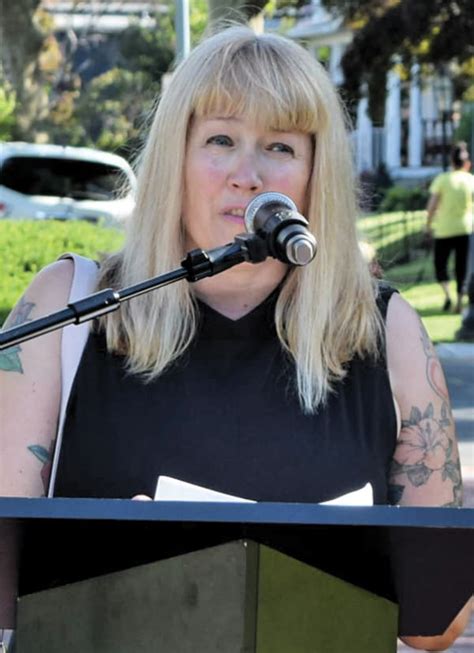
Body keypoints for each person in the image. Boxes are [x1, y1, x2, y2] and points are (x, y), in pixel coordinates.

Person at [0, 26, 471, 649]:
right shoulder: (69, 307)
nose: (246, 175)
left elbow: (438, 626)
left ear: (313, 174)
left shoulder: (386, 330)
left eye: (279, 146)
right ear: (177, 156)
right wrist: (112, 551)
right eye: (220, 139)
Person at [426, 142, 474, 313]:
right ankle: (460, 301)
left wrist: (428, 225)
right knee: (462, 267)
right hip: (465, 229)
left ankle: (448, 295)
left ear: (451, 161)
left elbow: (431, 206)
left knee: (440, 266)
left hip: (444, 230)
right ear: (467, 163)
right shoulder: (470, 180)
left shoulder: (442, 179)